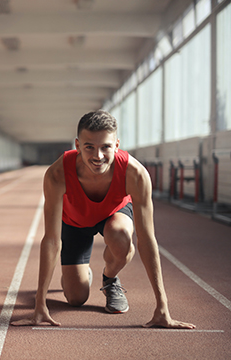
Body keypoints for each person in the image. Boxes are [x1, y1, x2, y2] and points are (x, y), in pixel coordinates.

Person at [12, 110, 195, 329]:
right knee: (76, 298)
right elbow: (51, 240)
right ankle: (79, 274)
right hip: (74, 221)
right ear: (78, 145)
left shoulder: (135, 174)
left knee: (122, 239)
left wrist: (162, 307)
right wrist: (39, 305)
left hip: (113, 215)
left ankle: (109, 279)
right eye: (89, 147)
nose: (98, 156)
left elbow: (147, 240)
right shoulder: (57, 174)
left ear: (116, 145)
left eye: (105, 147)